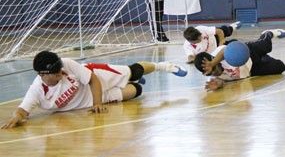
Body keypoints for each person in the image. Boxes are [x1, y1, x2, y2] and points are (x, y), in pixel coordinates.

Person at [1, 51, 187, 129]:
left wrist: (97, 103)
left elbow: (92, 79)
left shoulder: (66, 64)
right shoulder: (37, 91)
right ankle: (136, 81)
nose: (60, 74)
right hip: (92, 99)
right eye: (56, 74)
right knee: (136, 91)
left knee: (133, 70)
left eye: (60, 70)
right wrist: (16, 119)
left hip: (96, 79)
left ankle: (164, 66)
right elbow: (22, 110)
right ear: (43, 74)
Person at [194, 29, 285, 91]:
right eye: (210, 73)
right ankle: (265, 58)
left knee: (266, 46)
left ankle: (267, 33)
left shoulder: (219, 53)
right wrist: (218, 84)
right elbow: (221, 80)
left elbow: (224, 51)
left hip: (248, 52)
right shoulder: (213, 76)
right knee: (280, 67)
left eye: (214, 69)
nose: (214, 73)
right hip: (252, 69)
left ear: (214, 59)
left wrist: (212, 63)